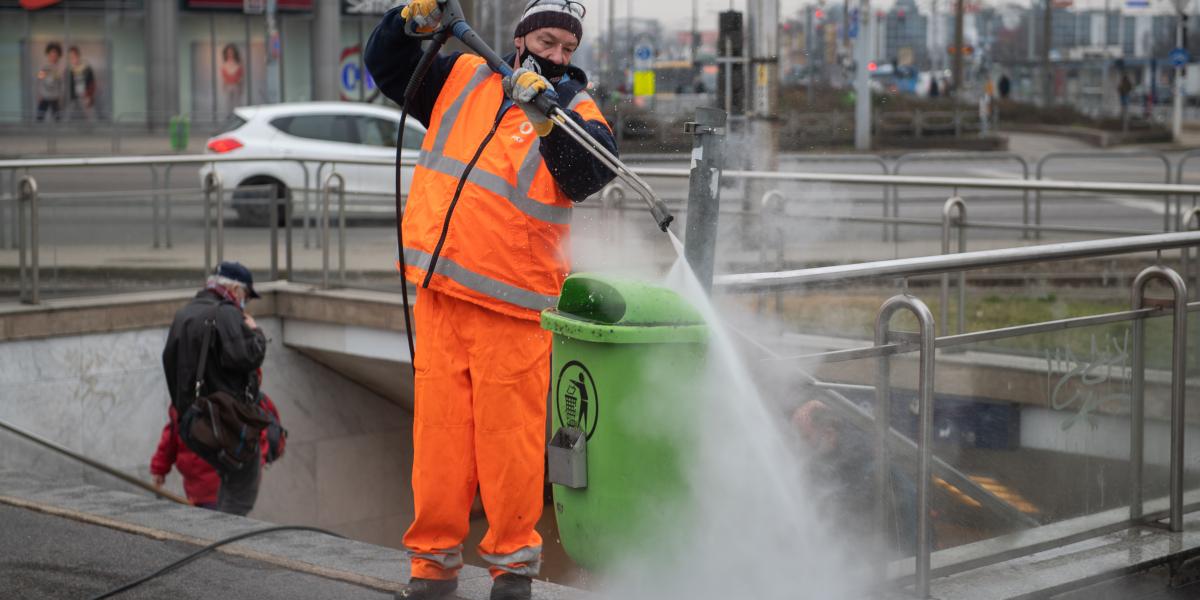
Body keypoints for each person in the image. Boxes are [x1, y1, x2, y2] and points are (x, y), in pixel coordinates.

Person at [365, 1, 616, 598]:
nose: (557, 56)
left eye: (567, 49)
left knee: (512, 449)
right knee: (439, 441)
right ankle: (432, 567)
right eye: (549, 42)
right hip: (443, 295)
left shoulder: (579, 111)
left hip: (514, 309)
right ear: (521, 38)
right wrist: (410, 18)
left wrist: (547, 116)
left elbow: (586, 176)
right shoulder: (462, 75)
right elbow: (384, 63)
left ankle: (512, 572)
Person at [162, 261, 267, 517]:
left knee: (228, 478)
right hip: (221, 423)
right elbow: (248, 356)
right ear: (235, 289)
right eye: (246, 296)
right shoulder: (226, 313)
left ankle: (216, 537)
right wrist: (256, 333)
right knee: (243, 482)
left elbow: (169, 362)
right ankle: (223, 546)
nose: (245, 303)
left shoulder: (185, 314)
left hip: (192, 422)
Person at [151, 369, 284, 512]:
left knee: (218, 525)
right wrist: (160, 468)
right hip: (195, 488)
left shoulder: (235, 401)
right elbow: (172, 434)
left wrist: (253, 464)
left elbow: (256, 436)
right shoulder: (185, 400)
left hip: (220, 486)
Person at [65, 46, 96, 122]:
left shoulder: (86, 68)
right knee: (67, 115)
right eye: (70, 57)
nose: (72, 59)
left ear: (78, 56)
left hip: (85, 95)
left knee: (90, 116)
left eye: (73, 56)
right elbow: (67, 85)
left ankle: (93, 132)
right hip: (72, 97)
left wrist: (89, 95)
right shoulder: (68, 70)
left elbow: (92, 83)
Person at [36, 42, 64, 122]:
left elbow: (61, 84)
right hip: (44, 96)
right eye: (51, 55)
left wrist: (60, 96)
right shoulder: (43, 67)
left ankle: (57, 133)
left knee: (57, 119)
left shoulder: (60, 68)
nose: (53, 57)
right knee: (39, 117)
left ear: (58, 56)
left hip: (55, 97)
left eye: (55, 55)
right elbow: (39, 81)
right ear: (48, 55)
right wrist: (39, 94)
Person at [219, 44, 244, 117]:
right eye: (228, 52)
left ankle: (237, 116)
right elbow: (223, 75)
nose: (230, 54)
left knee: (237, 102)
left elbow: (240, 75)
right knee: (228, 102)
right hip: (228, 85)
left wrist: (239, 84)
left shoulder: (238, 64)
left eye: (231, 52)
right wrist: (225, 84)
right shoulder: (224, 64)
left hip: (236, 85)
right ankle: (228, 116)